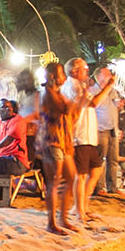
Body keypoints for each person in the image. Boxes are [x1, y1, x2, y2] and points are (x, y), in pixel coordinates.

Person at [61, 57, 115, 225]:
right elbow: (93, 103)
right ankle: (79, 211)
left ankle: (82, 205)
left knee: (96, 170)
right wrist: (108, 86)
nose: (87, 71)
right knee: (81, 175)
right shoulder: (72, 86)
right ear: (74, 71)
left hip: (89, 136)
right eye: (84, 69)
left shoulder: (80, 85)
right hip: (79, 136)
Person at [36, 60, 78, 233]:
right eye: (62, 74)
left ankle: (63, 218)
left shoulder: (58, 93)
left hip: (63, 141)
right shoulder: (47, 93)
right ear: (53, 76)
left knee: (70, 177)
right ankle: (51, 222)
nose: (64, 78)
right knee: (54, 181)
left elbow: (72, 114)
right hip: (51, 141)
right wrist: (78, 100)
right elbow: (64, 110)